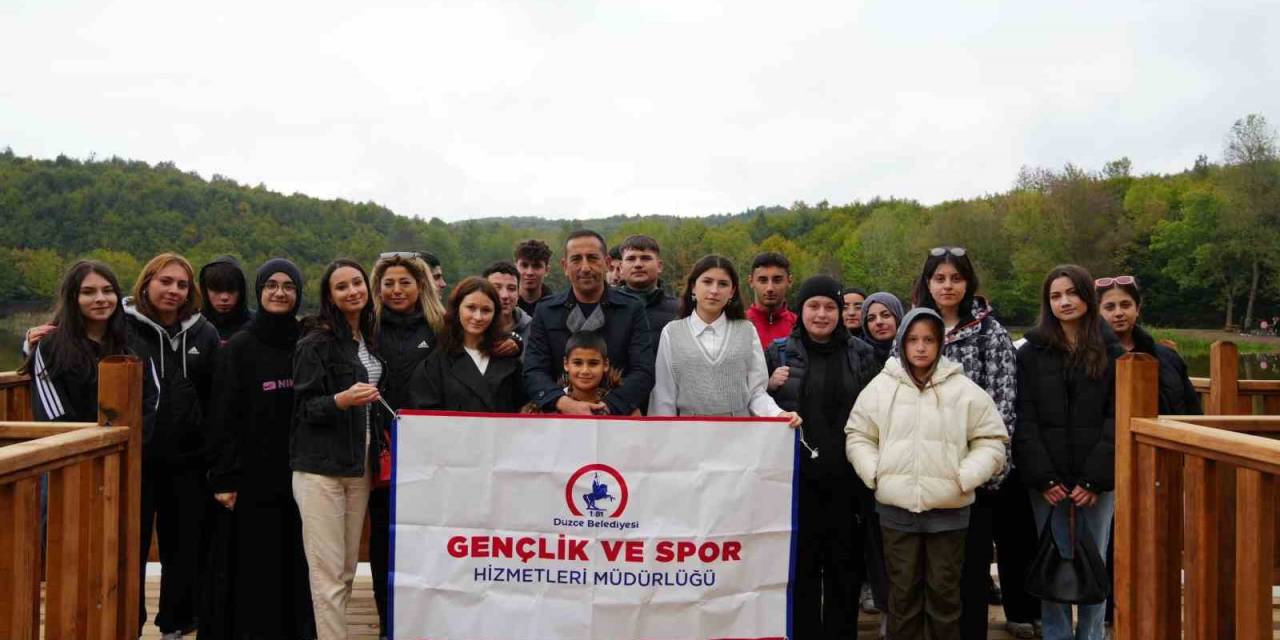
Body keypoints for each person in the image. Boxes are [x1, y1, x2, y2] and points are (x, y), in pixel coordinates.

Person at [846, 308, 1009, 640]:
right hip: (896, 513)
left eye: (929, 340)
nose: (921, 347)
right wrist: (875, 472)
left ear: (940, 344)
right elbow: (859, 434)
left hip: (948, 514)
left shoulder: (963, 390)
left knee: (944, 596)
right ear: (902, 343)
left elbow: (992, 440)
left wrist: (963, 477)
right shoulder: (882, 387)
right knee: (902, 597)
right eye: (913, 340)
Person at [911, 246, 1036, 638]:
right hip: (923, 468)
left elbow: (1003, 406)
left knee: (971, 570)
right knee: (930, 571)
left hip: (972, 472)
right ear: (927, 283)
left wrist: (989, 467)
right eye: (939, 278)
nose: (947, 286)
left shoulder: (989, 331)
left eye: (955, 278)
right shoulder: (915, 327)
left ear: (968, 283)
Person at [204, 259, 315, 639]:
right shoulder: (239, 346)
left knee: (295, 561)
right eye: (271, 285)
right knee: (253, 563)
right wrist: (223, 477)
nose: (280, 292)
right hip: (251, 475)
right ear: (260, 291)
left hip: (302, 471)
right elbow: (222, 415)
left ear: (299, 294)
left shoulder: (308, 341)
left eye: (288, 286)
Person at [1013, 265, 1125, 640]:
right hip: (1048, 482)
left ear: (1087, 298)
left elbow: (1116, 418)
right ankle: (1057, 635)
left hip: (1097, 481)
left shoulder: (1112, 351)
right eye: (1055, 296)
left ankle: (1092, 634)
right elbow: (1023, 418)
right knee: (1054, 557)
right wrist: (1043, 476)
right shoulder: (1031, 353)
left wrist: (1096, 478)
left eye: (1071, 293)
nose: (1064, 302)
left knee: (1094, 558)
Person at [765, 275, 878, 638]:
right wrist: (768, 386)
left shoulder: (862, 354)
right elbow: (760, 406)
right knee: (802, 571)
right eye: (813, 305)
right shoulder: (778, 352)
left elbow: (874, 413)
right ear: (801, 310)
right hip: (796, 481)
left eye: (831, 306)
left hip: (848, 479)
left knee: (845, 570)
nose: (822, 314)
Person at [124, 253, 222, 638]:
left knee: (183, 548)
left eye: (182, 284)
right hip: (135, 457)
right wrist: (33, 346)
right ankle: (127, 622)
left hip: (188, 460)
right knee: (129, 546)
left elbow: (217, 397)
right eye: (166, 281)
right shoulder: (123, 326)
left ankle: (176, 624)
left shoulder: (204, 333)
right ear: (147, 282)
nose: (174, 291)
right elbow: (76, 349)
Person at [291, 259, 389, 640]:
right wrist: (342, 400)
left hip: (358, 466)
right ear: (330, 296)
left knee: (347, 570)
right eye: (342, 286)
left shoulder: (367, 337)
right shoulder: (315, 341)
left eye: (357, 283)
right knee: (327, 574)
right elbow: (303, 408)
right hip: (319, 469)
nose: (352, 291)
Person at [368, 252, 442, 639]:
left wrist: (510, 341)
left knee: (427, 535)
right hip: (379, 447)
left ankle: (425, 617)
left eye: (405, 283)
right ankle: (386, 620)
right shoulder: (367, 327)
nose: (397, 290)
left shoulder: (439, 327)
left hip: (429, 448)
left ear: (421, 286)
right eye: (389, 283)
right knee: (383, 536)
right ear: (377, 288)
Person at [648, 254, 800, 425]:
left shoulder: (746, 331)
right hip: (688, 435)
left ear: (732, 291)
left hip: (738, 436)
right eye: (707, 282)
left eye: (723, 284)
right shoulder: (672, 333)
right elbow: (663, 397)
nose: (714, 290)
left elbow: (756, 393)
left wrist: (778, 414)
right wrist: (661, 438)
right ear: (693, 287)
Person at [523, 230, 655, 416]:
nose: (585, 267)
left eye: (592, 258)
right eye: (576, 259)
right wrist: (563, 403)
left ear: (607, 263)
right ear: (565, 266)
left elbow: (643, 371)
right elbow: (533, 370)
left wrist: (608, 405)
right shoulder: (546, 311)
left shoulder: (631, 309)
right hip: (558, 419)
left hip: (617, 418)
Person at [409, 277, 527, 413]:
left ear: (495, 314)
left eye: (486, 310)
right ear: (457, 308)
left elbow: (523, 409)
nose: (478, 317)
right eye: (471, 308)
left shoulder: (509, 360)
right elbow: (424, 417)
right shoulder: (434, 364)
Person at [1096, 275, 1201, 414]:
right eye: (1109, 307)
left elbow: (1193, 410)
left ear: (1137, 309)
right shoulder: (1088, 359)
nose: (1119, 313)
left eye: (1125, 305)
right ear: (1097, 313)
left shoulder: (1168, 357)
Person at [522, 331, 634, 415]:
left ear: (605, 365)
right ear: (566, 364)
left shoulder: (624, 407)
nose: (585, 371)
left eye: (593, 363)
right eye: (577, 363)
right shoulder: (538, 410)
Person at [616, 234, 679, 349]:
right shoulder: (609, 308)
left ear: (659, 266)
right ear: (620, 268)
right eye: (631, 259)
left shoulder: (680, 311)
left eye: (645, 258)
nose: (638, 264)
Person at [746, 251, 797, 349]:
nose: (770, 288)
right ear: (751, 281)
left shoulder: (799, 327)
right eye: (763, 280)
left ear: (789, 281)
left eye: (777, 280)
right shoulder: (737, 324)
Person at [483, 261, 533, 356]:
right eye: (496, 288)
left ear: (518, 294)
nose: (505, 295)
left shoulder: (533, 330)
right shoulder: (472, 327)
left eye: (511, 288)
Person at [199, 256, 252, 343]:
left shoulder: (256, 326)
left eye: (231, 290)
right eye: (217, 290)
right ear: (205, 291)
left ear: (241, 291)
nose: (224, 297)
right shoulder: (193, 326)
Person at [859, 292, 905, 368]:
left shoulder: (914, 351)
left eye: (886, 315)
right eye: (871, 318)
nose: (879, 322)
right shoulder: (857, 356)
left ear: (898, 317)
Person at [514, 238, 554, 316]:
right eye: (524, 265)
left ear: (547, 270)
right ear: (515, 268)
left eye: (536, 266)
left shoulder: (556, 308)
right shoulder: (504, 306)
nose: (530, 272)